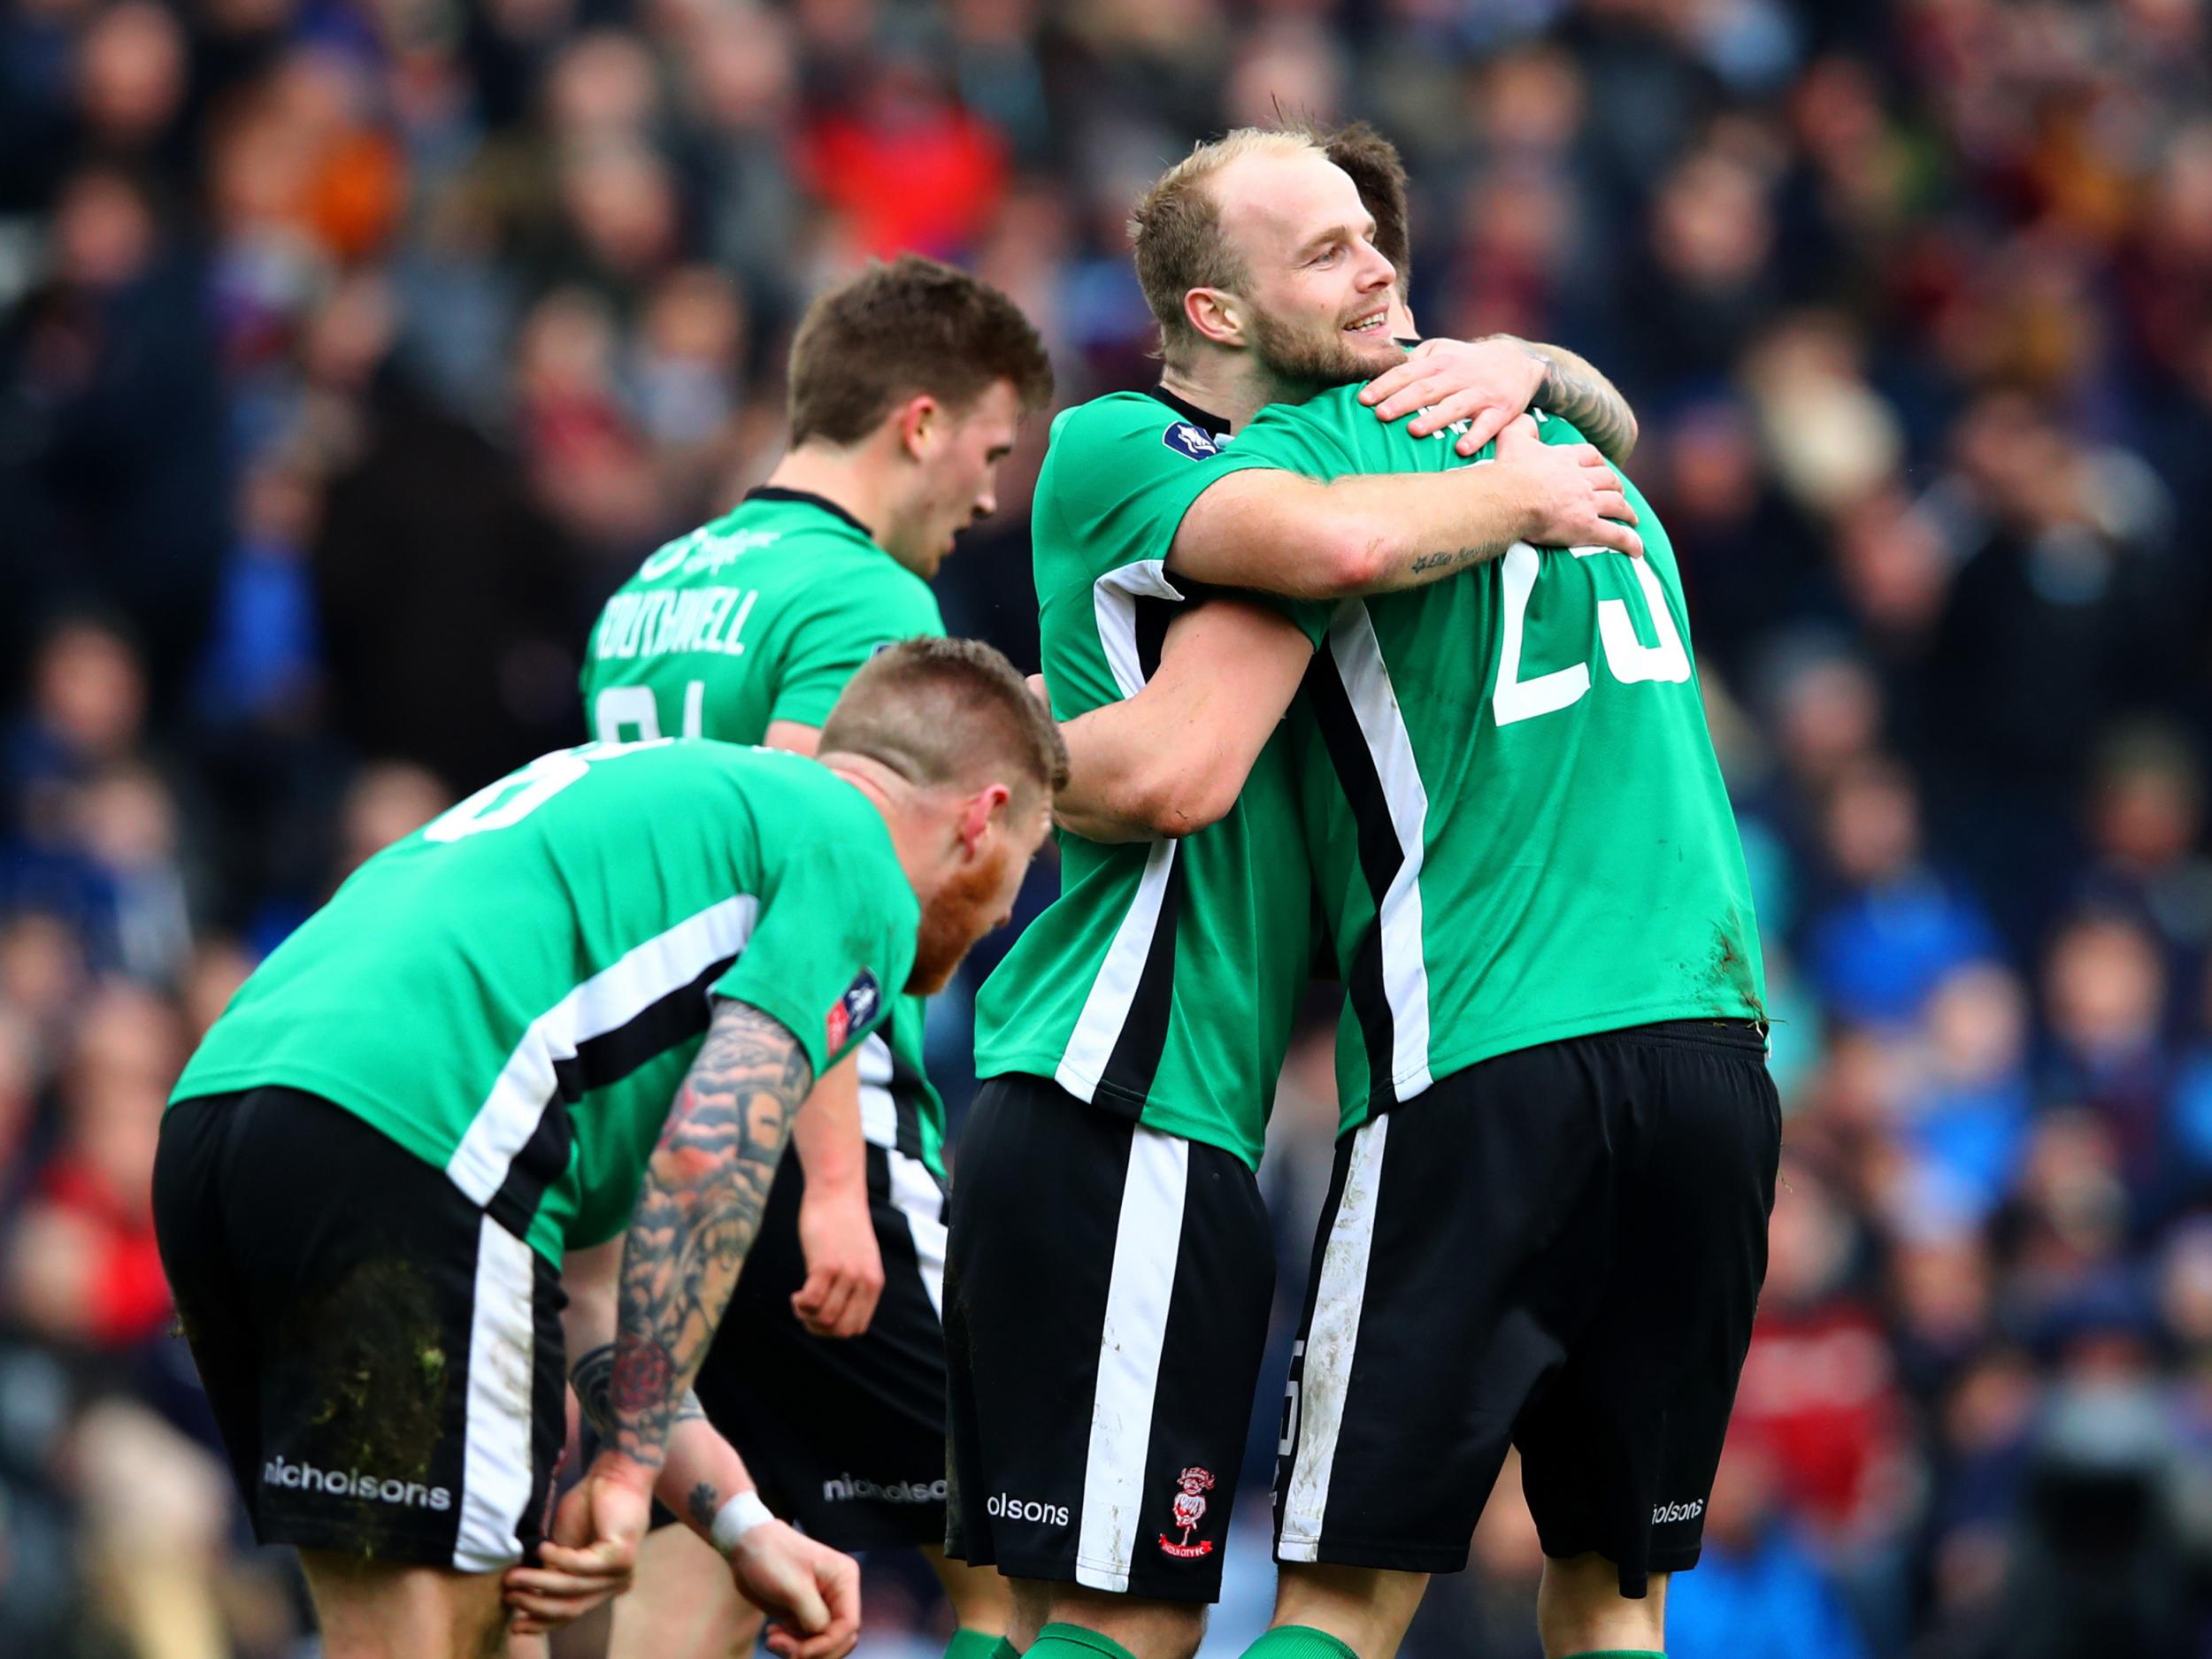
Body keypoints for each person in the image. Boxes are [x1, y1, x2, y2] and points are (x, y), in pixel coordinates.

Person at [1054, 128, 1778, 1659]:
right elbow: (1610, 417)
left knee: (1338, 1595)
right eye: (1326, 248)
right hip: (1715, 1052)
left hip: (1489, 1059)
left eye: (1371, 235)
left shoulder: (1313, 462)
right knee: (1618, 1593)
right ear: (1218, 311)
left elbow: (1186, 756)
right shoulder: (1572, 453)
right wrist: (1536, 364)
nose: (1376, 258)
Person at [150, 638, 1065, 1659]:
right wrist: (624, 1474)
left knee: (480, 1629)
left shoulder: (671, 844)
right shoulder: (855, 853)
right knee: (446, 1636)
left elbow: (596, 1290)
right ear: (981, 822)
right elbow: (706, 1157)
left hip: (223, 1124)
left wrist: (740, 1525)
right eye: (1025, 867)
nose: (996, 921)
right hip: (418, 1138)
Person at [574, 254, 1052, 1659]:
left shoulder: (655, 587)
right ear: (919, 420)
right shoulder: (860, 598)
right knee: (1033, 1530)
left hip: (656, 1126)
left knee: (719, 1551)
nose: (989, 494)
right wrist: (838, 1184)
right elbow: (812, 882)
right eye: (990, 447)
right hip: (799, 1115)